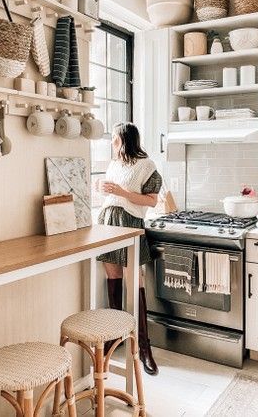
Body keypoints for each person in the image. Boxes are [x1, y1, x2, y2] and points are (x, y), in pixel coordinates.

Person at [97, 122, 162, 375]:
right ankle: (115, 339)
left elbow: (151, 201)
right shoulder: (114, 164)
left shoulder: (146, 166)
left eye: (114, 139)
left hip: (129, 224)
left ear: (125, 140)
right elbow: (110, 195)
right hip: (107, 222)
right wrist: (100, 189)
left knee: (135, 282)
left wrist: (122, 192)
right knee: (112, 277)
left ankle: (144, 347)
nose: (112, 144)